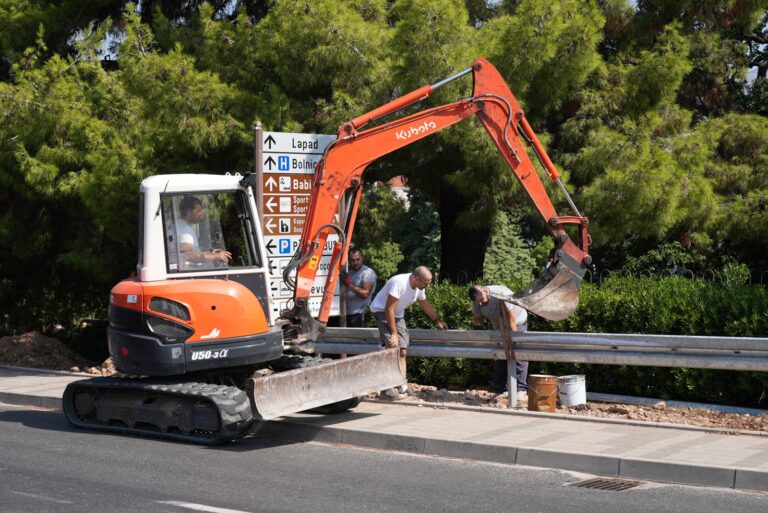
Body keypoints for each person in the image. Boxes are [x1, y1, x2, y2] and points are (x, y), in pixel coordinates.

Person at [370, 266, 448, 398]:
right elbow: (389, 308)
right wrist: (394, 334)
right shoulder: (399, 282)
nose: (427, 286)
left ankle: (403, 387)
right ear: (417, 279)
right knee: (391, 347)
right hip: (382, 311)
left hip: (398, 314)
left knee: (403, 351)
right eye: (426, 283)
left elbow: (424, 304)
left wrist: (436, 320)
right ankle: (386, 388)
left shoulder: (419, 287)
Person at [468, 284, 529, 403]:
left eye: (482, 301)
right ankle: (501, 390)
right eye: (477, 302)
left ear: (486, 292)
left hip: (517, 322)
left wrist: (513, 340)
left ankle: (521, 389)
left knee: (518, 355)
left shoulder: (501, 294)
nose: (480, 304)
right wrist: (478, 324)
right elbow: (478, 317)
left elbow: (511, 320)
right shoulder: (477, 299)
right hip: (498, 327)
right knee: (499, 356)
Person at [176, 196, 231, 267]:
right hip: (189, 272)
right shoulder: (184, 230)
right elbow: (186, 255)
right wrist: (214, 256)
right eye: (198, 211)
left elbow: (193, 253)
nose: (201, 214)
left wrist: (211, 253)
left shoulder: (180, 225)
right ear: (189, 212)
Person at [338, 248, 377, 327]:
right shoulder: (350, 273)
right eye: (352, 260)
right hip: (346, 314)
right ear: (348, 260)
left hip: (359, 315)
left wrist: (349, 284)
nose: (355, 262)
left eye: (357, 259)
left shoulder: (367, 273)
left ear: (362, 258)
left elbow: (365, 294)